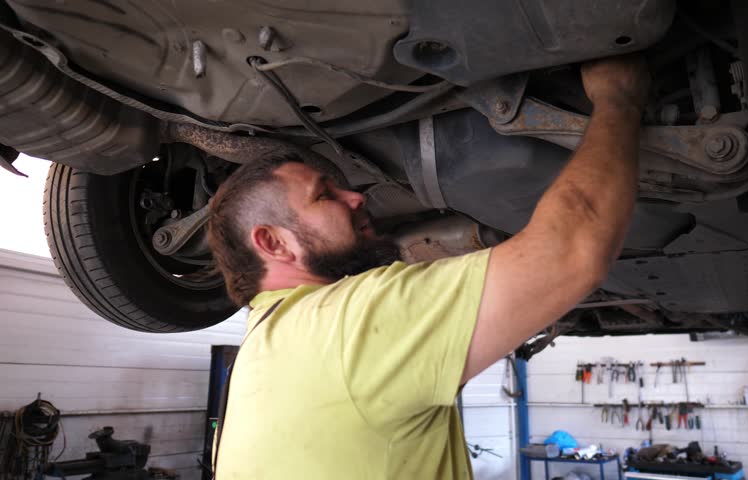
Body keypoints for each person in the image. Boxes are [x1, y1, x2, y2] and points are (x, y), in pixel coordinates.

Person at [207, 55, 649, 479]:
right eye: (326, 195)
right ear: (272, 243)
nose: (356, 197)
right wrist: (618, 98)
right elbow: (573, 244)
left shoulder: (261, 357)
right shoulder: (345, 325)